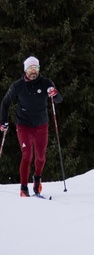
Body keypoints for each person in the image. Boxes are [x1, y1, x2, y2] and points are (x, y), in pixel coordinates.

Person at [0, 56, 62, 197]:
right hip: (23, 125)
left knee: (40, 156)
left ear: (39, 69)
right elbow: (5, 103)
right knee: (27, 155)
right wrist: (3, 122)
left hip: (41, 124)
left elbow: (58, 99)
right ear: (25, 70)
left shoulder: (46, 83)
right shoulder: (18, 86)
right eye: (30, 69)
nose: (33, 71)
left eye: (36, 68)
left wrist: (54, 93)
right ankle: (23, 188)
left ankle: (37, 179)